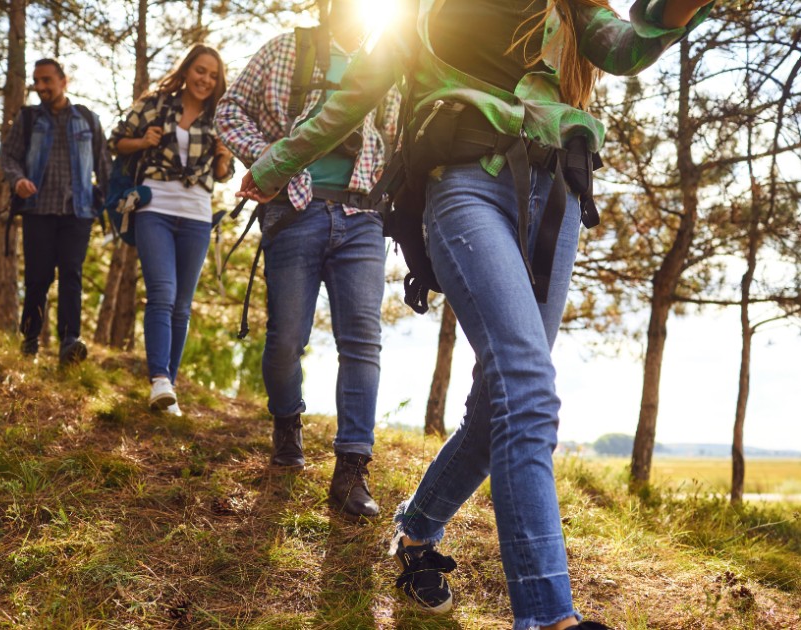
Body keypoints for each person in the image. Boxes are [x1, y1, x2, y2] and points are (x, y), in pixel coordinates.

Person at [237, 0, 714, 626]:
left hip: (557, 196)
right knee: (527, 388)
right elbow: (352, 96)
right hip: (465, 184)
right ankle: (547, 616)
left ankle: (416, 530)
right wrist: (275, 165)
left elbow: (623, 48)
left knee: (500, 405)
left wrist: (675, 11)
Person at [215, 0, 400, 519]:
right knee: (286, 340)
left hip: (363, 214)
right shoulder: (285, 51)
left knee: (363, 340)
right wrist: (276, 160)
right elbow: (227, 113)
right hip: (295, 213)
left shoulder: (389, 58)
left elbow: (398, 134)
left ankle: (351, 469)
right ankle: (286, 422)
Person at [109, 44, 234, 416]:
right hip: (155, 207)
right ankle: (159, 379)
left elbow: (224, 174)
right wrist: (142, 141)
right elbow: (116, 140)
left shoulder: (220, 116)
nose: (206, 80)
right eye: (200, 71)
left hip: (197, 213)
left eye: (213, 75)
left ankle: (169, 393)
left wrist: (224, 157)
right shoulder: (157, 104)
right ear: (187, 69)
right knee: (162, 293)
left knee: (182, 304)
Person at [0, 58, 110, 366]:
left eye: (47, 80)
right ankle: (30, 341)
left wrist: (105, 202)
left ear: (64, 81)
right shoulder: (29, 119)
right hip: (39, 210)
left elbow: (104, 166)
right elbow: (8, 156)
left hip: (79, 212)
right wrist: (18, 179)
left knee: (71, 274)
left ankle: (69, 343)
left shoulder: (88, 118)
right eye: (37, 81)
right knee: (38, 277)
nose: (42, 87)